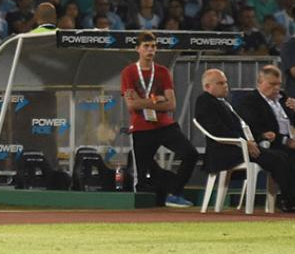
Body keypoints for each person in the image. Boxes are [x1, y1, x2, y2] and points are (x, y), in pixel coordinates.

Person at [195, 68, 295, 212]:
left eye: (225, 82)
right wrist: (243, 142)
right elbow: (216, 129)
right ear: (207, 87)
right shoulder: (205, 101)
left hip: (239, 146)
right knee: (278, 158)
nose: (225, 86)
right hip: (224, 151)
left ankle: (289, 199)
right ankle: (289, 200)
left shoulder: (222, 102)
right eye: (220, 83)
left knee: (281, 156)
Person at [120, 31, 197, 207]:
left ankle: (175, 192)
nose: (150, 50)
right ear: (137, 49)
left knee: (190, 153)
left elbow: (171, 105)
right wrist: (156, 99)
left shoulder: (162, 71)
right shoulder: (129, 72)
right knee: (141, 176)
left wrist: (144, 102)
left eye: (153, 46)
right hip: (141, 127)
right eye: (146, 46)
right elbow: (131, 106)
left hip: (164, 125)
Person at [234, 66, 295, 160]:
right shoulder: (250, 101)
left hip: (289, 141)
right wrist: (286, 141)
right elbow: (260, 130)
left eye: (279, 84)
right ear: (259, 82)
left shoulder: (283, 98)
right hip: (271, 144)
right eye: (272, 84)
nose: (277, 88)